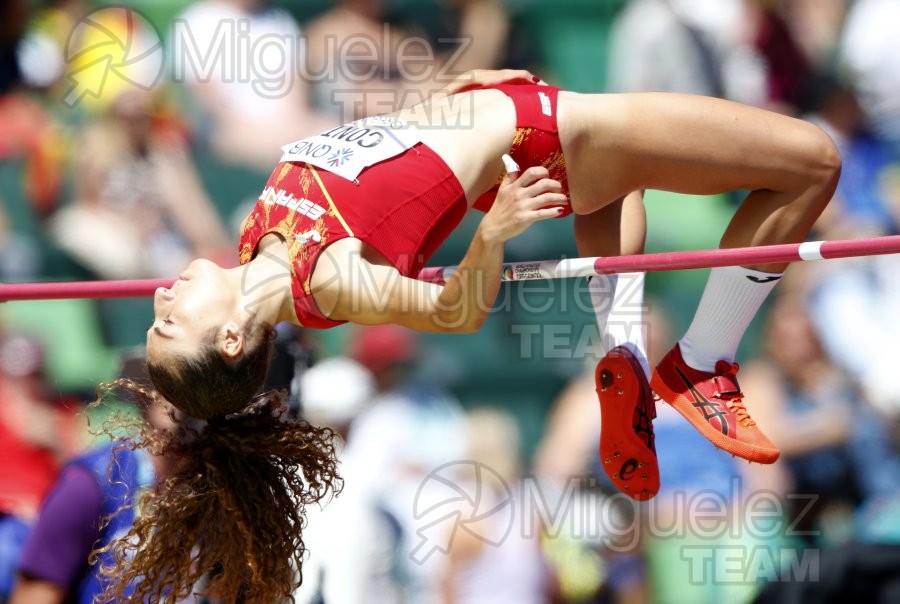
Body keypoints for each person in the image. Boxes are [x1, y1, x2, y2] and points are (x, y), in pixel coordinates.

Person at [133, 68, 839, 601]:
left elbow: (380, 160)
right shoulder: (323, 282)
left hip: (517, 122)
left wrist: (449, 96)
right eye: (170, 321)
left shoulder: (259, 236)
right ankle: (700, 360)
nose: (163, 294)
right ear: (230, 339)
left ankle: (622, 345)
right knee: (812, 161)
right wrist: (493, 235)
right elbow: (453, 313)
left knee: (630, 185)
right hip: (549, 134)